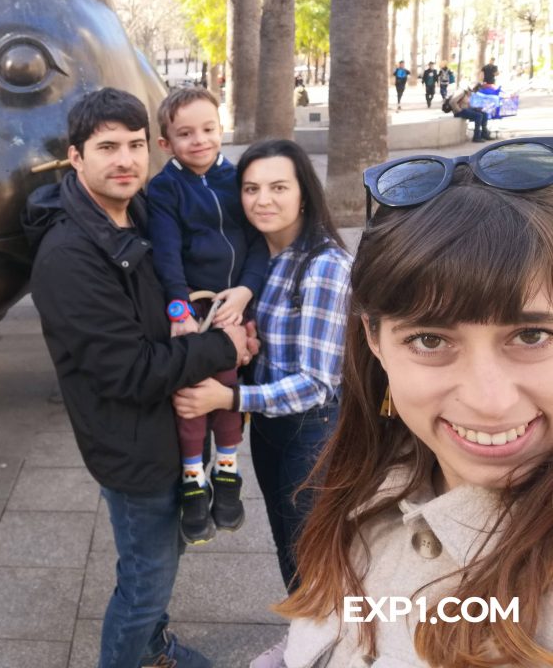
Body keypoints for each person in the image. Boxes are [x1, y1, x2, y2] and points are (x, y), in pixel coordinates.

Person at [256, 138, 553, 668]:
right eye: (431, 341)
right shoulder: (364, 488)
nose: (488, 401)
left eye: (531, 336)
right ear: (374, 339)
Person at [23, 87, 254, 668]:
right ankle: (137, 652)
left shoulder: (142, 209)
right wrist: (222, 345)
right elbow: (128, 370)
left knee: (162, 559)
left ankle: (152, 645)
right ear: (76, 158)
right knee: (145, 580)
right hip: (134, 447)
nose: (124, 160)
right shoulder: (69, 256)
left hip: (169, 430)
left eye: (133, 145)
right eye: (107, 147)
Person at [174, 139, 351, 593]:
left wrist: (229, 397)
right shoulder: (254, 262)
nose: (262, 200)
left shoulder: (325, 266)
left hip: (313, 432)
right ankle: (304, 642)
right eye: (250, 189)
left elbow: (316, 384)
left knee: (313, 551)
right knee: (286, 542)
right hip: (270, 428)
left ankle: (327, 652)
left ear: (303, 194)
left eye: (277, 187)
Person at [147, 87, 269, 543]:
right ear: (166, 144)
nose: (199, 140)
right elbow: (167, 256)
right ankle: (193, 477)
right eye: (185, 133)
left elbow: (257, 244)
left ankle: (228, 472)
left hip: (235, 302)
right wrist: (179, 310)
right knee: (196, 392)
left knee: (228, 390)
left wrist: (245, 291)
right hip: (194, 306)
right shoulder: (164, 190)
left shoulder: (236, 181)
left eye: (208, 129)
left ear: (221, 130)